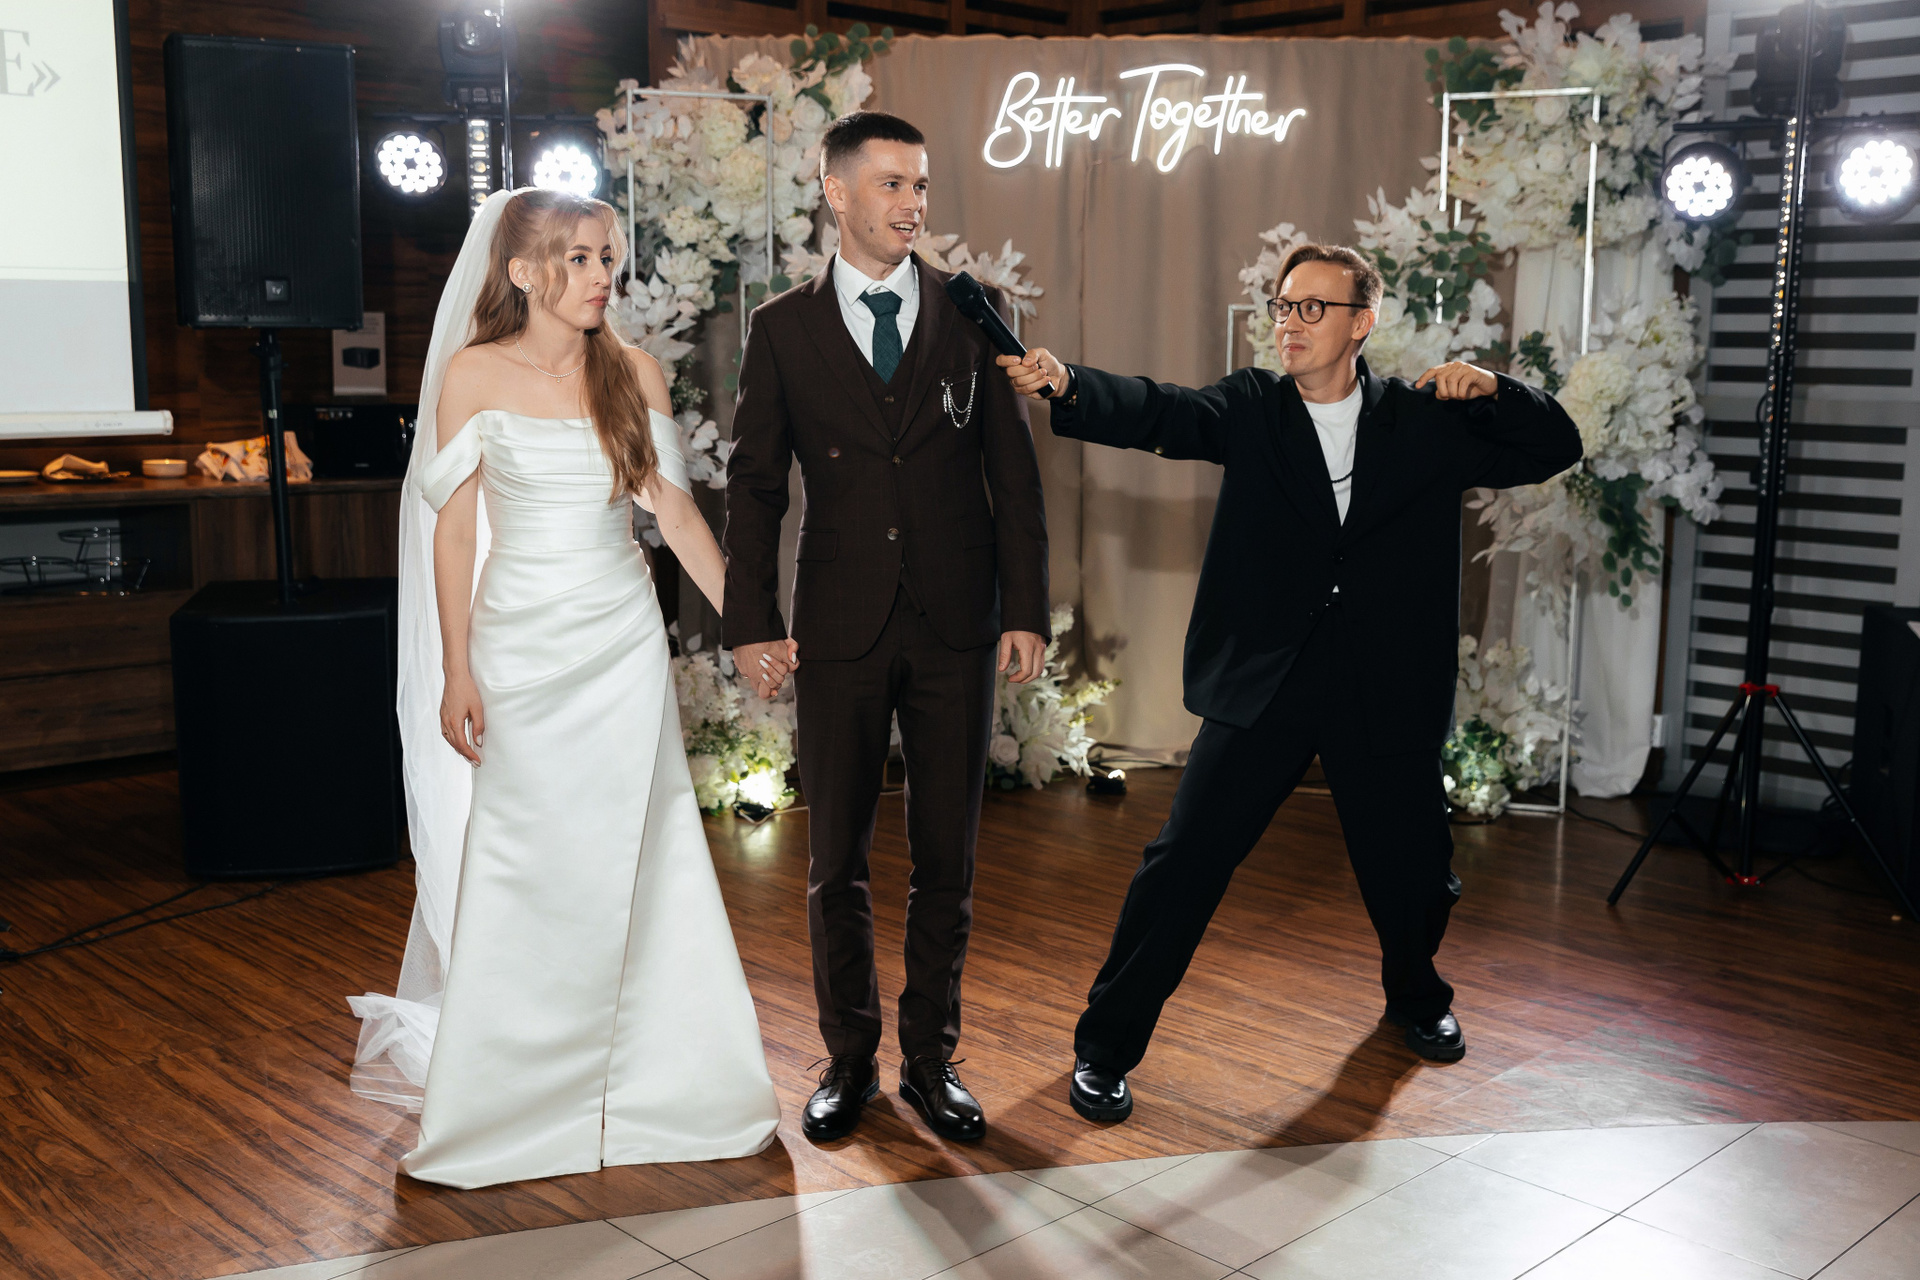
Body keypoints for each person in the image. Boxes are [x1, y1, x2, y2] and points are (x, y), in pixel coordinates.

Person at [999, 244, 1582, 1124]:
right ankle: (1104, 1048)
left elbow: (1556, 444)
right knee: (1184, 864)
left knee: (1414, 872)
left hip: (1383, 685)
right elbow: (1164, 410)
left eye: (1314, 307)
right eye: (1283, 306)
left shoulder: (1426, 419)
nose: (1291, 322)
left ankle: (1417, 997)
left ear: (1362, 322)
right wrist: (1071, 383)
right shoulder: (1251, 407)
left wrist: (1497, 387)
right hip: (1267, 682)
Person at [346, 188, 781, 1189]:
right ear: (523, 271)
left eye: (608, 256)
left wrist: (750, 623)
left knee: (647, 844)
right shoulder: (472, 373)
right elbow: (455, 529)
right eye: (580, 257)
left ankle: (667, 1086)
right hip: (518, 646)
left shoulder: (631, 370)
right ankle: (513, 1099)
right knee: (527, 857)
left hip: (621, 640)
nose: (602, 275)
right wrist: (456, 666)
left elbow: (674, 513)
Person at [723, 111, 1051, 1144]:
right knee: (837, 862)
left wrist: (1026, 606)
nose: (914, 204)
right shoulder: (782, 328)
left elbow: (1013, 474)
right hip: (839, 623)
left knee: (948, 855)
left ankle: (931, 1059)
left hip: (959, 622)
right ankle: (850, 1059)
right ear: (837, 192)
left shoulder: (975, 312)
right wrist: (749, 621)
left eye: (922, 185)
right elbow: (755, 487)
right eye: (894, 184)